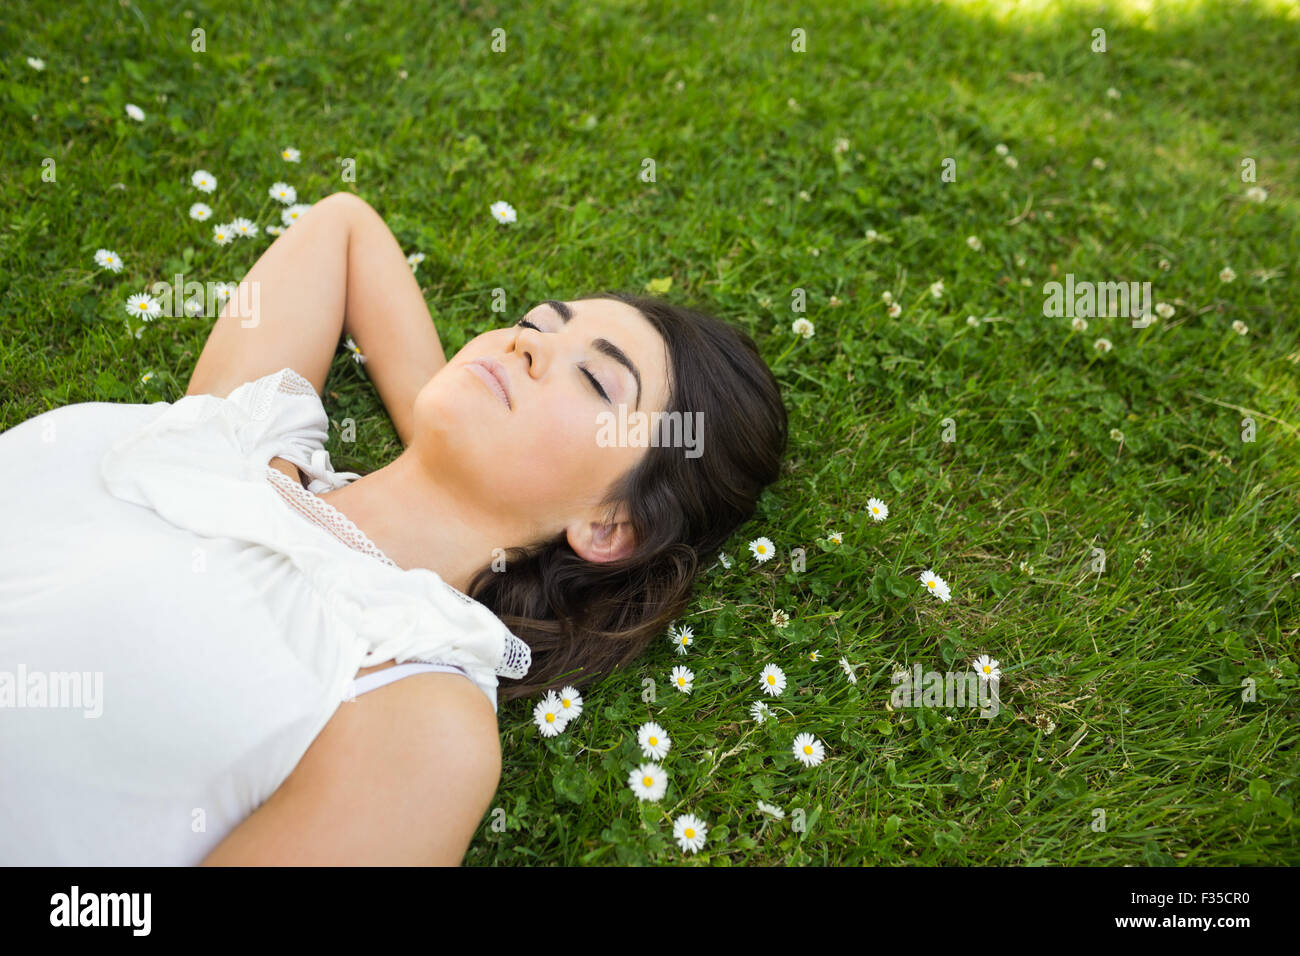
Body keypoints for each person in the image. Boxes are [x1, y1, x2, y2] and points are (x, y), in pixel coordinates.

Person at [0, 192, 787, 865]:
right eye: (535, 325)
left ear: (610, 526)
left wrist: (477, 449)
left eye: (593, 378)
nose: (527, 345)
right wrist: (449, 428)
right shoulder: (245, 435)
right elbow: (343, 226)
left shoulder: (415, 709)